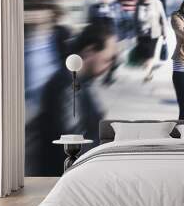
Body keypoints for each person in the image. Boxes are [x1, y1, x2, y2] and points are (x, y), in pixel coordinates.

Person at [28, 20, 118, 176]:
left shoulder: (81, 82)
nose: (109, 66)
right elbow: (73, 144)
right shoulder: (66, 86)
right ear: (89, 51)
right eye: (107, 59)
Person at [135, 0, 168, 82]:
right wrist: (135, 33)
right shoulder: (138, 4)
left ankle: (148, 74)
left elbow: (163, 18)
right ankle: (148, 68)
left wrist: (164, 32)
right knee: (144, 55)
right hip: (141, 34)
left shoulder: (157, 3)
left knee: (150, 54)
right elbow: (135, 20)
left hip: (154, 33)